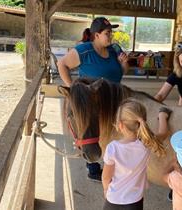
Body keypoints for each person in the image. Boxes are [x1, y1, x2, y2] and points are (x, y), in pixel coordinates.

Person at [58, 17, 129, 182]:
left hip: (112, 99)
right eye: (107, 33)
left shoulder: (113, 50)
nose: (110, 36)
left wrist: (124, 63)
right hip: (91, 101)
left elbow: (122, 72)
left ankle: (110, 164)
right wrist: (75, 91)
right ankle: (93, 167)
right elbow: (62, 64)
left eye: (111, 32)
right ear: (96, 35)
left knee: (112, 133)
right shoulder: (84, 50)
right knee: (90, 129)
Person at [102, 98, 171, 210]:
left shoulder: (112, 148)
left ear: (120, 125)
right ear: (142, 122)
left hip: (113, 199)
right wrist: (163, 115)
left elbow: (106, 177)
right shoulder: (147, 143)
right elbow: (164, 132)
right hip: (134, 201)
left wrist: (106, 190)